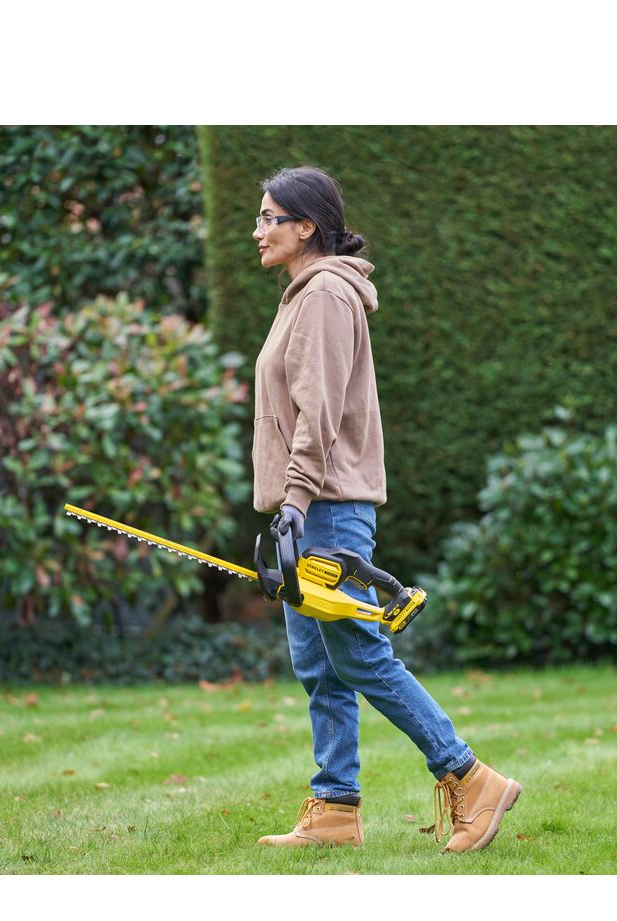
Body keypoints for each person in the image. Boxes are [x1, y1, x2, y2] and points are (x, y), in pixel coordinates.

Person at [251, 165, 521, 853]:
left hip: (326, 507)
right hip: (311, 504)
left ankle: (470, 777)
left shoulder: (324, 296)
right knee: (320, 668)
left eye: (269, 218)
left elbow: (318, 410)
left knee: (362, 657)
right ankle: (335, 807)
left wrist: (296, 502)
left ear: (305, 226)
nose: (257, 231)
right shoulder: (303, 295)